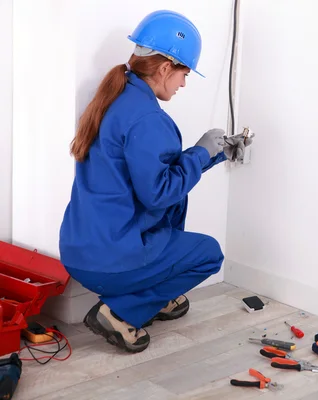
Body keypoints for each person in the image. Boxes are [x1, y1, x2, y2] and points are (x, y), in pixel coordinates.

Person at [58, 10, 251, 353]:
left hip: (80, 250)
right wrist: (201, 153)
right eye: (183, 74)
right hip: (111, 258)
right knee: (208, 254)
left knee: (175, 242)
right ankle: (118, 312)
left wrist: (213, 152)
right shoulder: (147, 118)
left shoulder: (115, 99)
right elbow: (160, 193)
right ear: (164, 68)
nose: (183, 84)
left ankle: (152, 298)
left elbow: (153, 172)